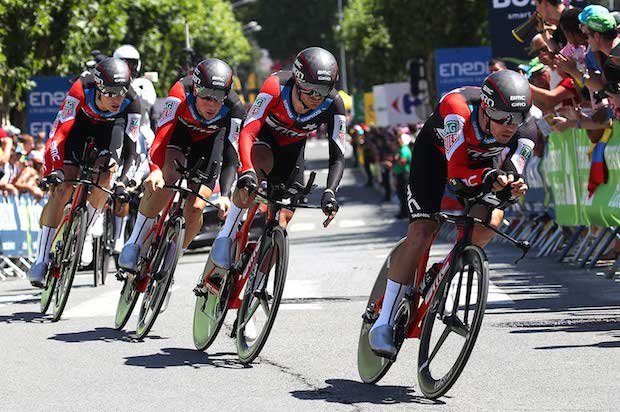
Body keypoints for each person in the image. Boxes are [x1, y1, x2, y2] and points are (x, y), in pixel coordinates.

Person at [368, 70, 536, 359]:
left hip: (480, 168)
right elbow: (456, 172)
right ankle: (382, 322)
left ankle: (447, 268)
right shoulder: (457, 109)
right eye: (503, 116)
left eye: (517, 118)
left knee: (492, 220)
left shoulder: (525, 131)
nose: (510, 126)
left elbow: (513, 170)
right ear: (485, 107)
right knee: (422, 231)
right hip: (436, 159)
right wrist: (490, 175)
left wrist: (512, 183)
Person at [210, 46, 346, 269]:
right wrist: (247, 171)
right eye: (311, 89)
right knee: (256, 173)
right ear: (299, 81)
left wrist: (330, 191)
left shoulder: (334, 104)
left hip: (292, 152)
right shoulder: (276, 86)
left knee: (282, 220)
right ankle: (226, 235)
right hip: (263, 140)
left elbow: (338, 156)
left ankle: (257, 280)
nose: (316, 96)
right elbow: (248, 130)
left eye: (323, 89)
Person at [118, 58, 245, 272]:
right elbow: (162, 135)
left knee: (196, 208)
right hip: (179, 136)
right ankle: (135, 241)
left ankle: (172, 261)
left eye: (219, 97)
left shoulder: (234, 107)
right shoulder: (180, 91)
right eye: (206, 97)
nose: (212, 104)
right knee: (167, 179)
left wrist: (225, 194)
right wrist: (155, 170)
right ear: (195, 89)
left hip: (209, 145)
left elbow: (232, 155)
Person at [27, 57, 141, 287]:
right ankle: (41, 259)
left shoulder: (131, 102)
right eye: (110, 92)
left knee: (107, 175)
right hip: (77, 132)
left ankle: (86, 230)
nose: (117, 98)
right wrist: (55, 169)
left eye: (121, 91)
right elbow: (58, 134)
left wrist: (125, 181)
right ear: (98, 86)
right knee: (63, 187)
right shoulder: (81, 87)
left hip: (109, 133)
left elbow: (132, 150)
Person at [111, 44, 158, 254]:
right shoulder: (108, 83)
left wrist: (130, 87)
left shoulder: (142, 84)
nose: (128, 68)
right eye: (123, 64)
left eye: (131, 64)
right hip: (115, 135)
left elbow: (148, 100)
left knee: (132, 182)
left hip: (141, 138)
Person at [393, 132, 412, 219]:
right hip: (402, 174)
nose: (398, 140)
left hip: (404, 174)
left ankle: (405, 213)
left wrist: (396, 159)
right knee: (401, 194)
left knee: (403, 194)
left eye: (400, 139)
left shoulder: (404, 149)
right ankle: (403, 212)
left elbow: (402, 161)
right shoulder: (402, 148)